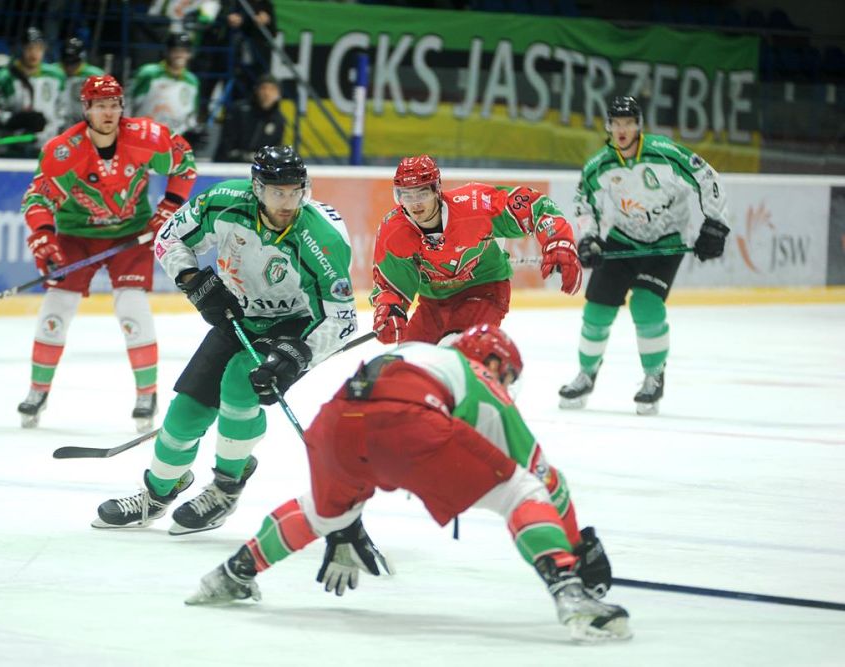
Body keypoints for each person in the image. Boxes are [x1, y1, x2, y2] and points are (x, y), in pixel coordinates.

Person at [185, 324, 630, 643]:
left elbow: (366, 407)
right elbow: (544, 476)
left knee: (325, 512)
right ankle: (569, 591)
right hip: (409, 422)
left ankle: (231, 574)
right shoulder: (477, 373)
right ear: (493, 361)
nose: (506, 385)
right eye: (507, 375)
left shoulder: (415, 351)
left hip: (336, 421)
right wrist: (573, 546)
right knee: (521, 492)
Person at [92, 145, 357, 537]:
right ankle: (157, 493)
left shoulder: (322, 240)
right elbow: (169, 239)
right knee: (184, 414)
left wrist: (298, 354)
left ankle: (225, 487)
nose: (287, 202)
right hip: (240, 316)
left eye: (294, 191)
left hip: (296, 325)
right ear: (256, 188)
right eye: (276, 192)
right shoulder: (224, 202)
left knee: (239, 382)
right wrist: (192, 279)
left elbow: (343, 319)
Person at [16, 74, 197, 432]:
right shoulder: (65, 150)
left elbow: (184, 163)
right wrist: (43, 238)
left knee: (131, 304)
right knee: (58, 305)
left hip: (130, 235)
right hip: (76, 235)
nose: (108, 112)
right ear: (86, 109)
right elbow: (38, 197)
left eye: (114, 104)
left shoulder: (146, 137)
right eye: (100, 105)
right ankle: (38, 390)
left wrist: (169, 207)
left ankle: (147, 394)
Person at [558, 96, 730, 415]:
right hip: (623, 239)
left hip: (665, 242)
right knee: (597, 309)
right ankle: (586, 374)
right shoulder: (600, 166)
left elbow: (706, 177)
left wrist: (716, 223)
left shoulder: (666, 153)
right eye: (616, 123)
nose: (622, 129)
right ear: (609, 127)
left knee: (646, 304)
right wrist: (589, 239)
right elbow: (585, 203)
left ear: (639, 126)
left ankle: (653, 376)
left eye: (628, 123)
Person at [371, 154, 582, 346]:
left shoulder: (474, 205)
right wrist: (389, 308)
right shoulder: (394, 231)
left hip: (484, 289)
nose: (415, 204)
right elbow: (391, 286)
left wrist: (558, 239)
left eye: (422, 193)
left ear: (437, 189)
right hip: (433, 303)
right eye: (406, 195)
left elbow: (537, 207)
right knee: (405, 362)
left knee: (455, 350)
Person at [0, 27, 65, 156]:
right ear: (21, 48)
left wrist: (53, 131)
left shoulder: (55, 76)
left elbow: (62, 111)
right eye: (29, 48)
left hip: (46, 149)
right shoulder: (3, 77)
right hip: (10, 149)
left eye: (39, 48)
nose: (34, 53)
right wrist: (16, 120)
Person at [131, 32, 200, 137]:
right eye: (176, 50)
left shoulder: (192, 81)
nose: (179, 55)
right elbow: (129, 102)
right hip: (144, 136)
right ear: (167, 52)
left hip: (174, 140)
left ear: (189, 54)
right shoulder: (149, 74)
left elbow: (191, 114)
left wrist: (192, 130)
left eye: (184, 51)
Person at [213, 73, 284, 163]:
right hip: (229, 164)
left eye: (272, 89)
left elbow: (275, 151)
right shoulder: (238, 110)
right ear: (256, 90)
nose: (267, 93)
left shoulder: (279, 120)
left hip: (259, 168)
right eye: (263, 88)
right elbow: (226, 145)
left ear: (279, 94)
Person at [54, 37, 104, 131]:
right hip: (57, 128)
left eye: (73, 63)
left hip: (85, 127)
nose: (69, 67)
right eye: (66, 63)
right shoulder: (53, 73)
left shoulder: (95, 75)